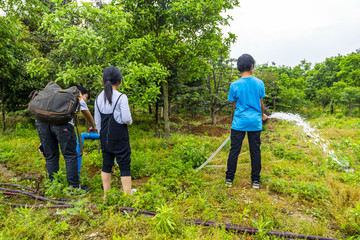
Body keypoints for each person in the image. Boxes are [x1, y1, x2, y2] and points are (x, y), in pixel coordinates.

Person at [36, 85, 96, 193]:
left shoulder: (57, 96)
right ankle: (73, 189)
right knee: (70, 156)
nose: (85, 100)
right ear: (81, 93)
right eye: (86, 97)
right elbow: (87, 114)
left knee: (51, 156)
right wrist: (94, 126)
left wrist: (43, 142)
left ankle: (53, 187)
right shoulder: (75, 97)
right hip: (63, 126)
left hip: (42, 124)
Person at [225, 54, 268, 189]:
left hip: (239, 123)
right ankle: (255, 181)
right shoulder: (259, 83)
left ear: (239, 67)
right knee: (255, 151)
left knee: (234, 151)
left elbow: (235, 105)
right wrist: (262, 115)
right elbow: (261, 104)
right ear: (252, 67)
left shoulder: (234, 85)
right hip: (255, 123)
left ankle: (229, 180)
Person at [94, 66, 133, 197]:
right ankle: (127, 196)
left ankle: (107, 195)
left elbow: (97, 121)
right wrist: (130, 122)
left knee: (106, 164)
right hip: (120, 137)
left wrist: (102, 135)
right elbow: (126, 118)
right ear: (119, 81)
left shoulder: (98, 98)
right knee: (124, 165)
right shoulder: (122, 97)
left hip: (104, 137)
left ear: (102, 81)